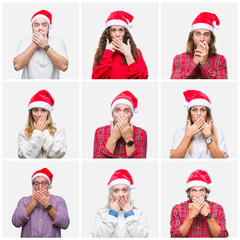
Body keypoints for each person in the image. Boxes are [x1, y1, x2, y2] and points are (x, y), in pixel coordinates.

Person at [12, 168, 70, 237]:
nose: (40, 187)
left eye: (44, 183)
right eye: (36, 183)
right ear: (33, 186)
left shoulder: (59, 201)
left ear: (48, 185)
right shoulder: (23, 201)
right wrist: (32, 203)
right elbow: (16, 222)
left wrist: (48, 205)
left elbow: (65, 224)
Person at [170, 90, 228, 158]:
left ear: (207, 113)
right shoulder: (179, 132)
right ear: (190, 113)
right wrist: (188, 135)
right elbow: (173, 158)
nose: (198, 114)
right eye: (194, 110)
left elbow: (221, 159)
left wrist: (208, 135)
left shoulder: (218, 133)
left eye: (203, 110)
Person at [170, 169, 228, 237]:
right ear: (189, 192)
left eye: (201, 190)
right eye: (194, 190)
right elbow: (175, 236)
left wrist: (208, 215)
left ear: (206, 191)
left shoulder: (217, 208)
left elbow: (222, 236)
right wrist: (191, 215)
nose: (198, 195)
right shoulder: (177, 209)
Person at [92, 169, 149, 238]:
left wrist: (129, 214)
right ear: (111, 194)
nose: (120, 195)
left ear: (129, 192)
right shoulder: (101, 213)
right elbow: (98, 237)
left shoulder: (139, 213)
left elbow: (143, 237)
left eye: (124, 190)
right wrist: (112, 213)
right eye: (116, 191)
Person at [92, 10, 148, 79]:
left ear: (125, 33)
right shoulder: (100, 53)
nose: (117, 34)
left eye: (121, 30)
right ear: (108, 33)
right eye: (113, 30)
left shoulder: (136, 52)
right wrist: (108, 53)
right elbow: (96, 78)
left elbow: (143, 78)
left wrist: (128, 54)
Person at [170, 12, 227, 79]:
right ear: (192, 36)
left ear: (211, 38)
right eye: (198, 34)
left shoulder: (220, 59)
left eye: (206, 34)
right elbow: (175, 82)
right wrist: (194, 62)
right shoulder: (179, 59)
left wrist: (204, 63)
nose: (202, 39)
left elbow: (222, 83)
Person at [14, 10, 68, 79]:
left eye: (44, 25)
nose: (40, 28)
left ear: (49, 27)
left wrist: (45, 46)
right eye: (36, 25)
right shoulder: (24, 42)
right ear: (32, 27)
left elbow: (64, 67)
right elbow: (17, 66)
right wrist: (35, 43)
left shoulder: (58, 42)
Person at [93, 91, 147, 158]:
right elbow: (98, 164)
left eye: (126, 111)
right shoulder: (100, 132)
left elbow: (139, 165)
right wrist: (113, 138)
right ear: (112, 113)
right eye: (117, 110)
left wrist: (129, 138)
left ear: (131, 115)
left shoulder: (141, 133)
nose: (121, 115)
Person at [18, 89, 67, 158]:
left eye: (43, 110)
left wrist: (44, 131)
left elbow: (59, 154)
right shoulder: (23, 131)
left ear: (48, 112)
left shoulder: (58, 129)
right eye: (35, 110)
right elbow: (24, 156)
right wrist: (37, 132)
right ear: (31, 112)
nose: (39, 114)